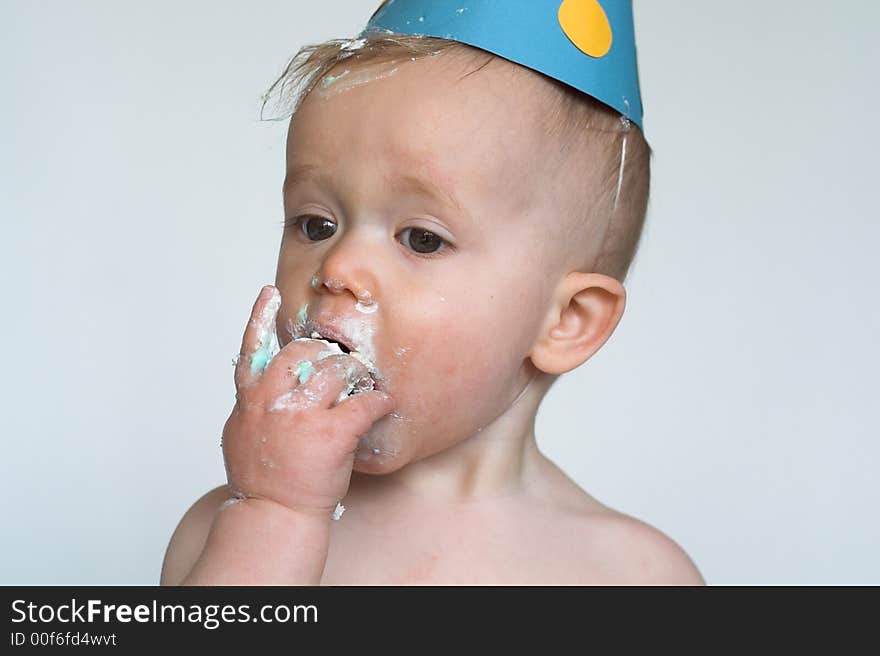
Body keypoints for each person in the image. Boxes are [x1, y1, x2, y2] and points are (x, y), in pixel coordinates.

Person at [160, 0, 704, 584]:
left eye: (421, 239)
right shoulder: (229, 536)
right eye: (316, 225)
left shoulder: (635, 576)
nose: (337, 266)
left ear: (567, 319)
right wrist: (274, 518)